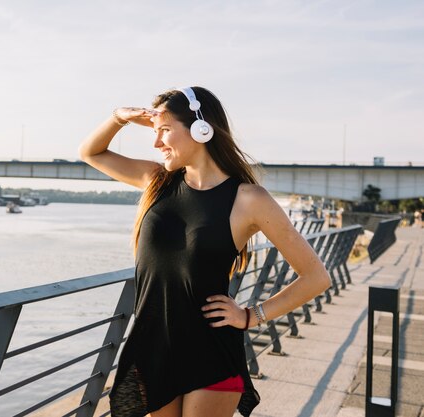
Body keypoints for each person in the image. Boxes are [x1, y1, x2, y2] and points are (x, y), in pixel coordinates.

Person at [78, 87, 332, 417]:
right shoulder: (157, 181)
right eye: (155, 133)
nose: (157, 143)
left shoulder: (248, 199)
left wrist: (251, 316)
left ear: (201, 128)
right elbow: (91, 153)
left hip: (210, 349)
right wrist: (120, 118)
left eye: (165, 131)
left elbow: (316, 277)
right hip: (154, 346)